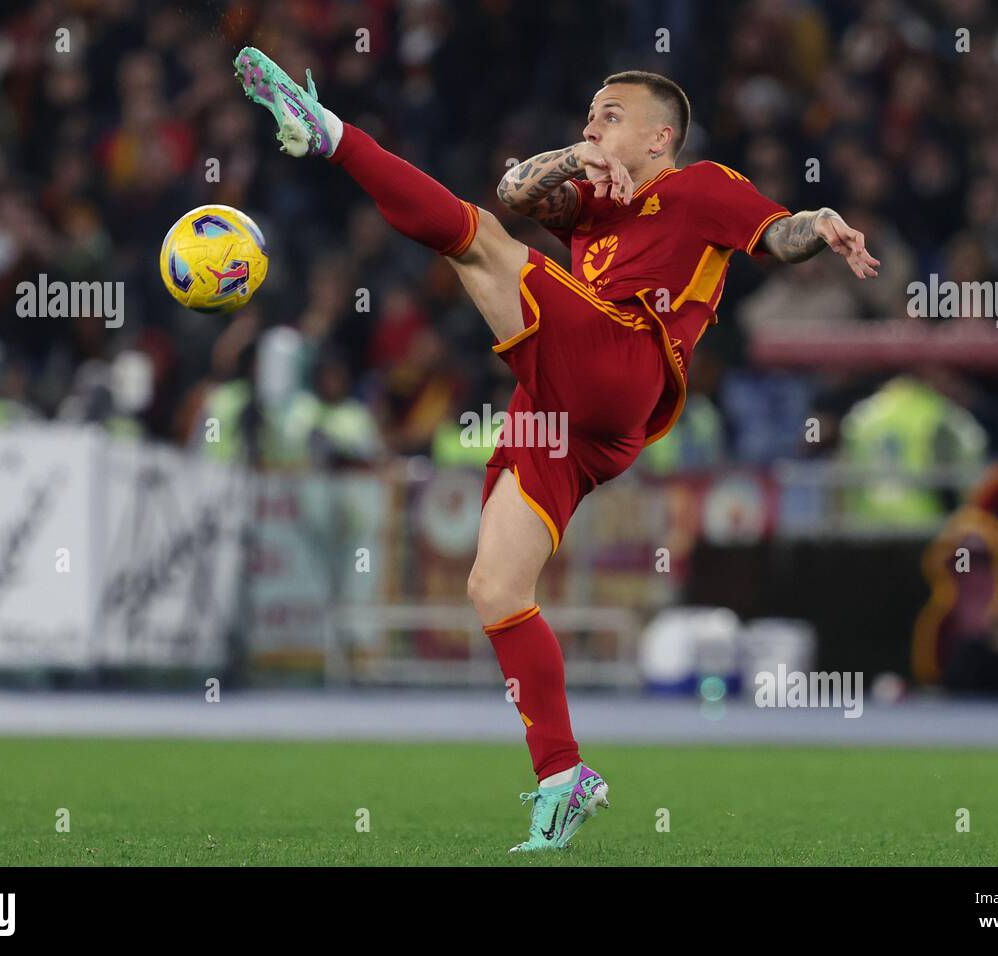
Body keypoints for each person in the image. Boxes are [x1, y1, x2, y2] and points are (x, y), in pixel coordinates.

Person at [233, 48, 880, 850]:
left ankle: (328, 133)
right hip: (565, 416)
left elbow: (776, 236)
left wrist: (818, 223)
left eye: (610, 116)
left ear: (658, 137)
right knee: (495, 588)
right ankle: (563, 775)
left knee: (478, 245)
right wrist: (577, 156)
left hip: (624, 363)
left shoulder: (699, 186)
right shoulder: (590, 202)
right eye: (587, 116)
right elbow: (515, 188)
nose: (591, 126)